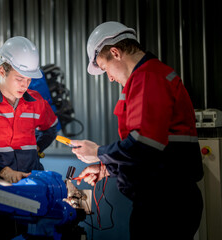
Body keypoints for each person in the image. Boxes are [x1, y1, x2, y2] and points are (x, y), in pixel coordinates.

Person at [70, 21, 203, 240]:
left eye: (105, 69)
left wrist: (98, 152)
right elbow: (150, 155)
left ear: (115, 52)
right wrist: (107, 169)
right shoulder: (143, 80)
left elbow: (144, 144)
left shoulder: (149, 77)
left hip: (166, 207)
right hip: (161, 202)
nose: (110, 78)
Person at [0, 36, 58, 184]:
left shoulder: (36, 100)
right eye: (19, 79)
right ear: (2, 71)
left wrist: (37, 147)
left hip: (31, 183)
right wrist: (3, 171)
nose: (25, 86)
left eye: (29, 80)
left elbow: (51, 127)